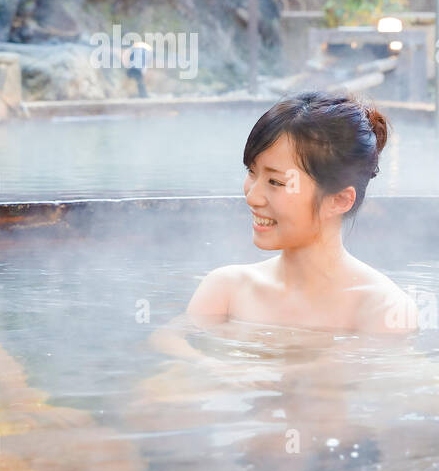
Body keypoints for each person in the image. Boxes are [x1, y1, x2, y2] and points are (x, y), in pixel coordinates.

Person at [150, 91, 418, 361]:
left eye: (276, 182)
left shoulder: (381, 309)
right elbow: (166, 340)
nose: (252, 196)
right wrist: (212, 367)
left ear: (338, 200)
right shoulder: (227, 289)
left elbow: (352, 385)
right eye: (251, 173)